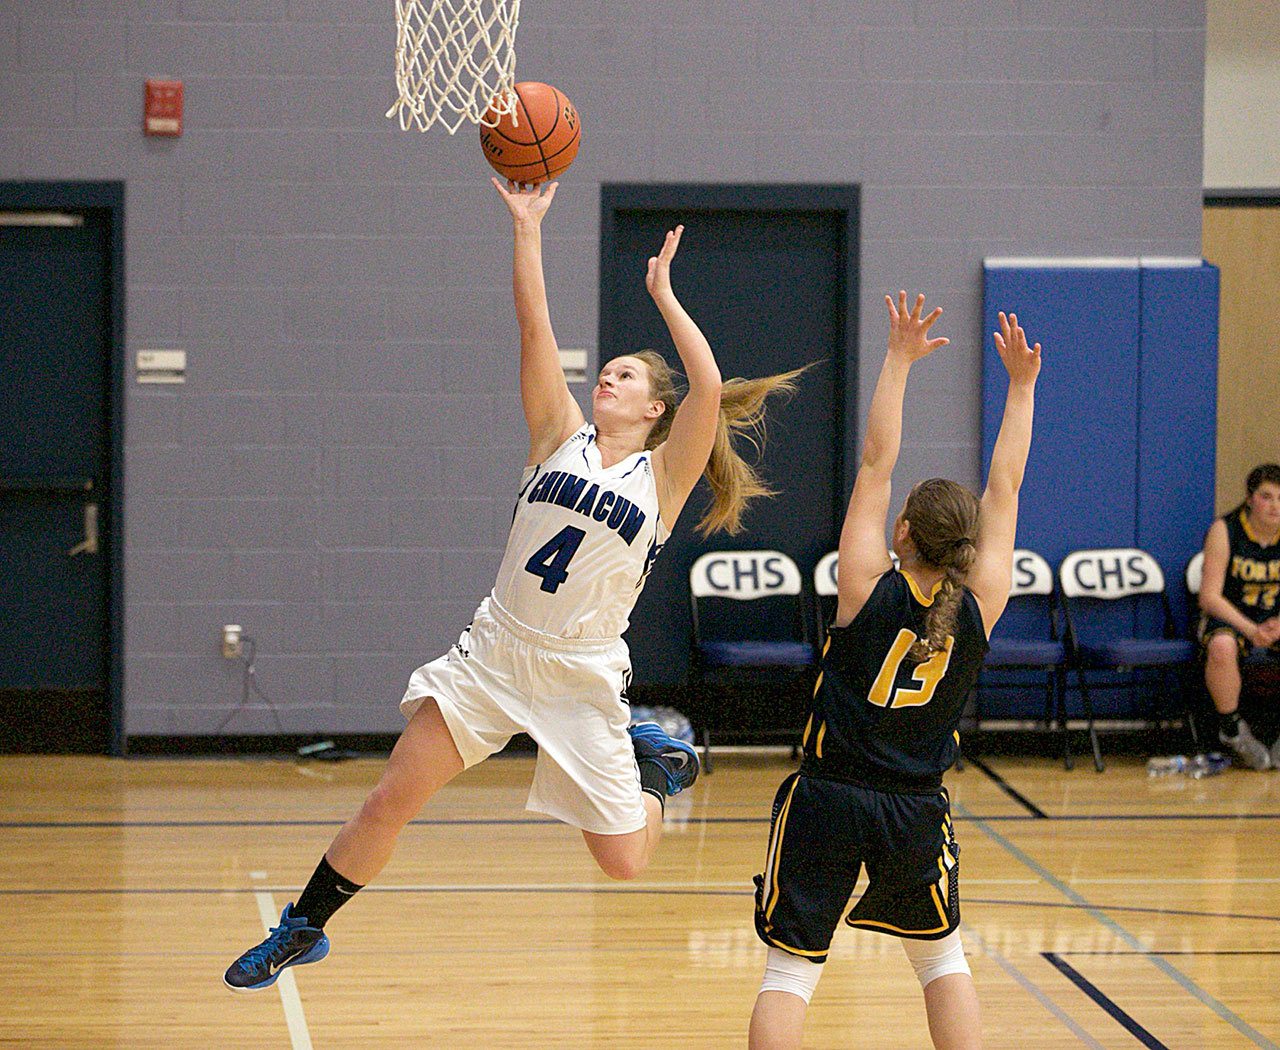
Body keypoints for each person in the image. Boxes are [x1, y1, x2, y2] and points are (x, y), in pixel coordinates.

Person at [223, 178, 803, 992]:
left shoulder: (663, 476)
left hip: (580, 669)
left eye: (627, 376)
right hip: (494, 652)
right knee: (393, 795)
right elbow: (534, 325)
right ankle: (304, 925)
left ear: (654, 407)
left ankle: (656, 773)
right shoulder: (556, 435)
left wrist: (665, 296)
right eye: (605, 372)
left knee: (625, 861)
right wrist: (527, 227)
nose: (609, 379)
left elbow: (707, 390)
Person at [747, 294, 1042, 1050]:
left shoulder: (863, 582)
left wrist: (900, 359)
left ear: (902, 532)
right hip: (915, 805)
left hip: (829, 793)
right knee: (941, 960)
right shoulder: (984, 602)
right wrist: (1021, 388)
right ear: (968, 548)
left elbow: (877, 460)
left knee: (791, 971)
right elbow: (1004, 488)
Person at [1198, 463, 1280, 771]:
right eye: (1266, 497)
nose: (1274, 506)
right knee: (1222, 646)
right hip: (1232, 618)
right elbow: (1209, 597)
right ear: (1250, 499)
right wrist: (1249, 628)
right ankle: (1232, 729)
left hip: (1273, 619)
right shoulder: (1225, 530)